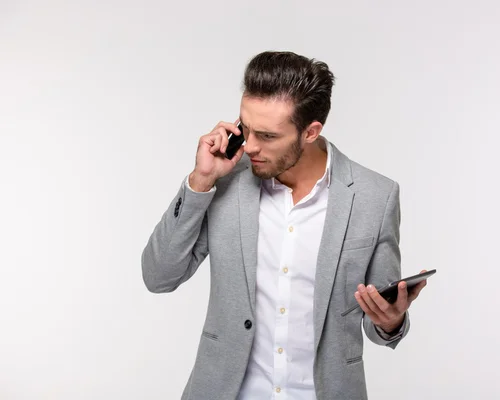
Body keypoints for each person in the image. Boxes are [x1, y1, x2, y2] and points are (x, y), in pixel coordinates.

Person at [141, 50, 428, 400]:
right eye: (245, 129)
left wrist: (390, 321)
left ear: (310, 131)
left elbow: (380, 317)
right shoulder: (226, 182)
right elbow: (159, 276)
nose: (249, 147)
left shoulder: (374, 196)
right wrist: (201, 181)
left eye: (268, 136)